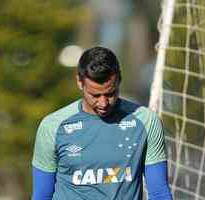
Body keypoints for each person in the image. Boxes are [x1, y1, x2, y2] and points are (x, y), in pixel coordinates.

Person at [32, 46, 173, 200]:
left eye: (110, 94)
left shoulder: (146, 121)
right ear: (80, 82)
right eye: (95, 95)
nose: (103, 103)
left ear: (119, 80)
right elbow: (41, 195)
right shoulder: (52, 126)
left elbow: (159, 192)